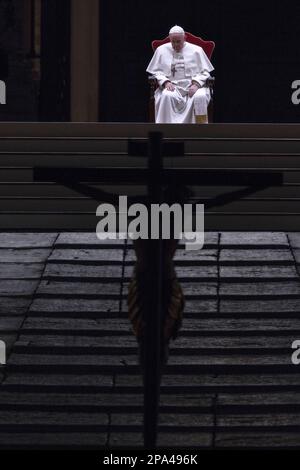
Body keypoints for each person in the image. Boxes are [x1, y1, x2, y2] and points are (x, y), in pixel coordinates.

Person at [146, 25, 214, 123]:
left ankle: (199, 130)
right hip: (172, 86)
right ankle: (166, 130)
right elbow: (157, 71)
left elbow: (205, 72)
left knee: (200, 97)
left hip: (193, 86)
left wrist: (196, 84)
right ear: (169, 39)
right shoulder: (161, 50)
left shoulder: (197, 50)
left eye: (178, 41)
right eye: (173, 42)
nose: (175, 45)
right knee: (166, 96)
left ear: (184, 38)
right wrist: (166, 82)